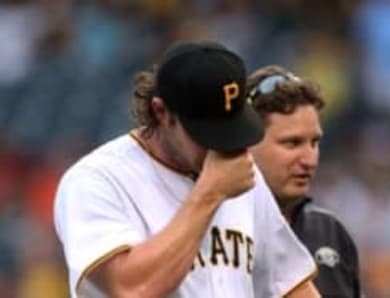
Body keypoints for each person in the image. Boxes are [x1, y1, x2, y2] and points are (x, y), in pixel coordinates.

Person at [53, 41, 321, 298]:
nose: (222, 143)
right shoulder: (97, 180)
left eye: (230, 128)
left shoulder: (238, 172)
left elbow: (289, 286)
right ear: (161, 112)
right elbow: (132, 290)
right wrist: (209, 194)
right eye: (207, 131)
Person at [248, 65, 362, 298]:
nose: (309, 160)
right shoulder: (219, 231)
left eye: (314, 143)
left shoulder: (331, 233)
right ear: (248, 144)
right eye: (292, 143)